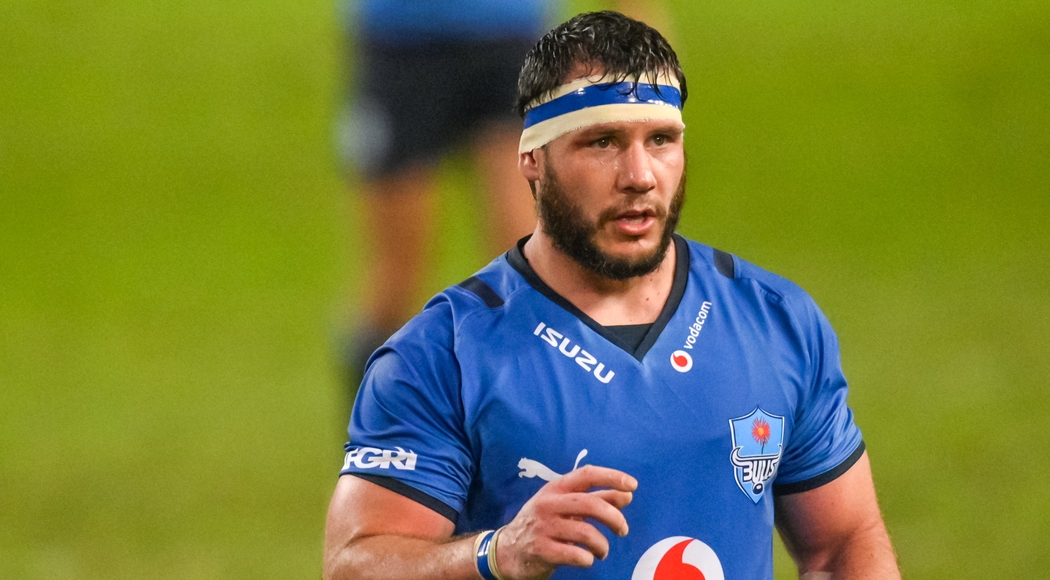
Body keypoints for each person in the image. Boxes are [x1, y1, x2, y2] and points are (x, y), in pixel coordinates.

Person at [325, 11, 900, 580]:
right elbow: (354, 564)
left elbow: (842, 545)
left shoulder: (775, 324)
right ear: (532, 158)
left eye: (661, 140)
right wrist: (496, 553)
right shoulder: (440, 356)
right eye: (603, 142)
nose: (639, 175)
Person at [339, 0, 671, 393]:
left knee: (524, 259)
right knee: (396, 278)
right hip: (402, 40)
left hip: (508, 36)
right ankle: (372, 424)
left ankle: (518, 424)